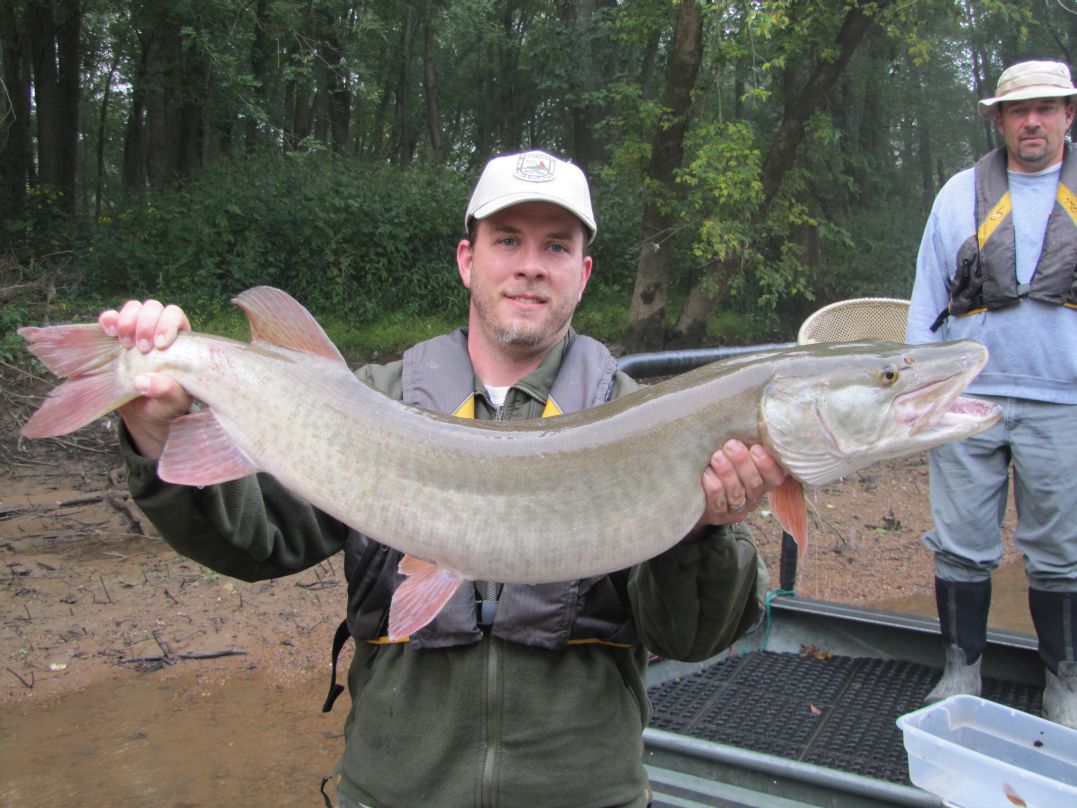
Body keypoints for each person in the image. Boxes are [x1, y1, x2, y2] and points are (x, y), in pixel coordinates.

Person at [100, 150, 787, 807]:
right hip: (395, 791)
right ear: (467, 259)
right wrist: (155, 431)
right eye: (507, 240)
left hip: (583, 794)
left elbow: (693, 639)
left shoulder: (643, 415)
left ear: (583, 271)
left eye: (555, 247)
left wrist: (704, 533)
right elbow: (253, 542)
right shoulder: (373, 396)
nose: (530, 266)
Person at [906, 61, 1077, 728]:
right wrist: (917, 394)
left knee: (1060, 549)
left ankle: (1063, 683)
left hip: (1063, 402)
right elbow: (925, 298)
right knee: (959, 543)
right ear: (997, 120)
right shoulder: (956, 194)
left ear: (1067, 114)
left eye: (1044, 108)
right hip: (964, 398)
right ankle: (959, 672)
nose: (1030, 121)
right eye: (1016, 110)